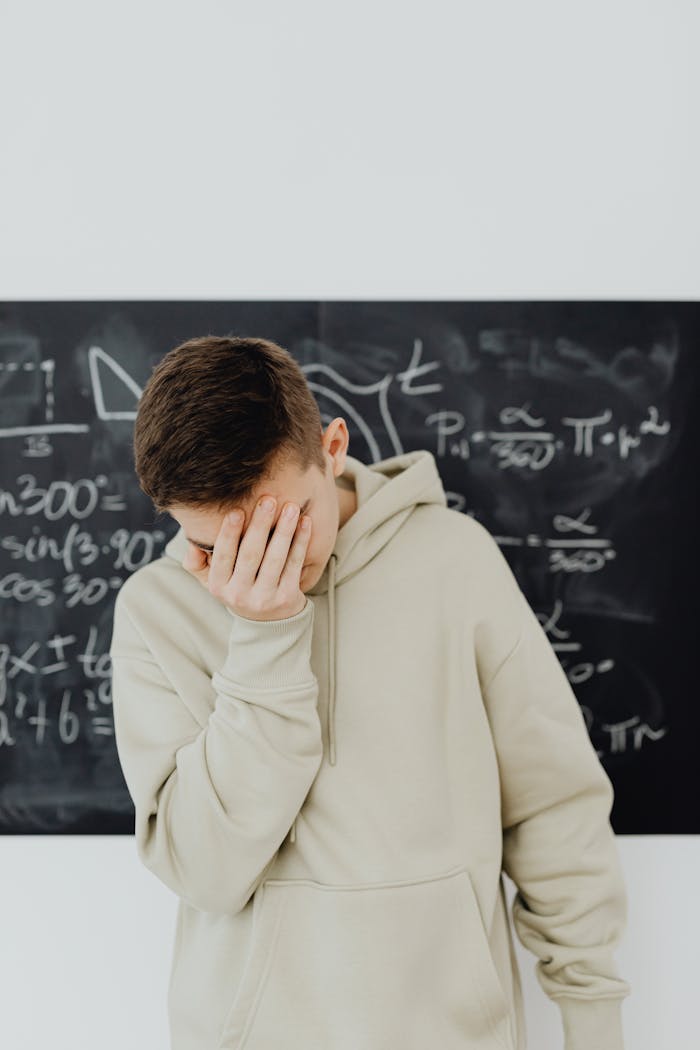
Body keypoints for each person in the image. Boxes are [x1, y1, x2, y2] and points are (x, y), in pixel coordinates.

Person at [109, 335, 631, 1050]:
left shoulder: (455, 559)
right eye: (211, 547)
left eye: (282, 527)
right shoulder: (156, 610)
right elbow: (205, 871)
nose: (257, 565)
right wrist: (265, 636)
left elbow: (552, 805)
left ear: (332, 447)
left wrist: (592, 1017)